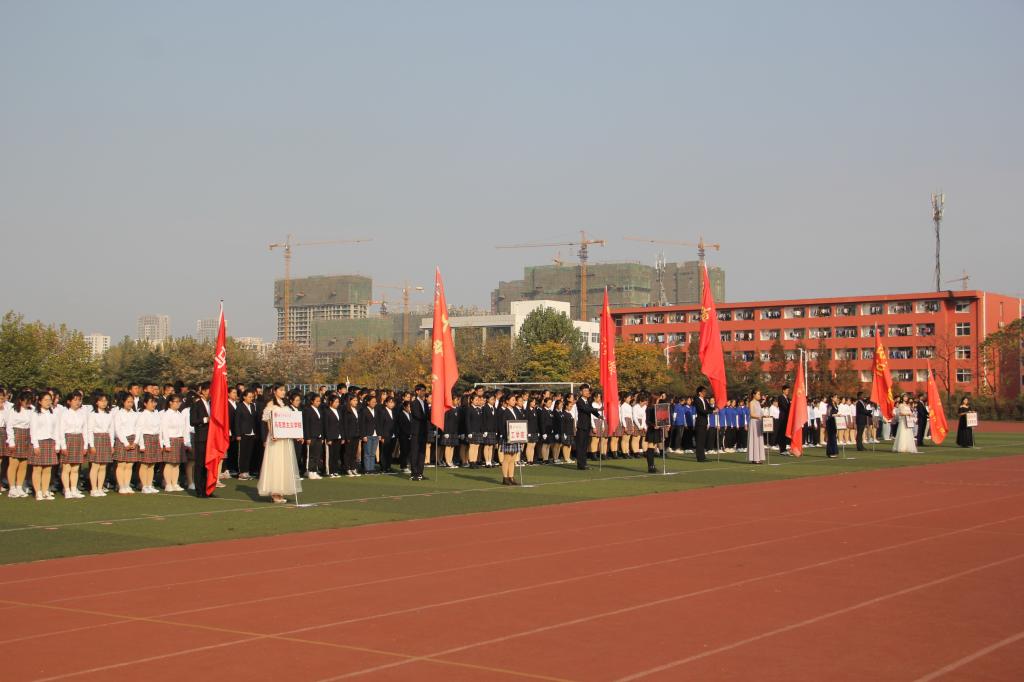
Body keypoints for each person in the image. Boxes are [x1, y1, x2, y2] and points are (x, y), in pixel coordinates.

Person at [258, 384, 302, 504]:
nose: (283, 392)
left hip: (285, 438)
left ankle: (281, 491)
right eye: (281, 390)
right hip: (275, 438)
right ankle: (275, 492)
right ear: (275, 391)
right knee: (275, 463)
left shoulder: (285, 404)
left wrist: (297, 434)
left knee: (284, 464)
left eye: (284, 390)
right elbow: (268, 421)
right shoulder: (271, 404)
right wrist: (272, 433)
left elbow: (291, 421)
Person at [29, 391, 61, 501]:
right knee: (37, 468)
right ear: (40, 401)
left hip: (50, 442)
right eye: (45, 400)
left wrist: (57, 444)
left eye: (50, 400)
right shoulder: (35, 414)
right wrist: (35, 445)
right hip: (39, 442)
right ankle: (38, 492)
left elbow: (56, 430)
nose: (48, 402)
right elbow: (33, 430)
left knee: (48, 468)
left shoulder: (53, 414)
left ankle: (45, 490)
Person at [58, 390, 88, 498]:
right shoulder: (64, 414)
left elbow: (85, 430)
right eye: (75, 400)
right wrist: (63, 446)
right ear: (69, 401)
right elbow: (61, 430)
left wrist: (85, 445)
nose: (77, 402)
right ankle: (67, 490)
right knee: (67, 468)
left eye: (79, 400)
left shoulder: (82, 414)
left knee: (75, 468)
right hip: (68, 439)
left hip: (79, 439)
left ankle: (74, 489)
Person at [6, 390, 35, 498]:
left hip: (27, 436)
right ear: (20, 400)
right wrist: (11, 441)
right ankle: (12, 488)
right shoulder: (13, 410)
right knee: (14, 463)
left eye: (30, 401)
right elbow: (9, 426)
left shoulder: (32, 410)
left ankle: (19, 487)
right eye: (27, 401)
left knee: (23, 464)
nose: (29, 403)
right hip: (16, 435)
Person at [86, 393, 115, 497]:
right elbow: (89, 430)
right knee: (95, 465)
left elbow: (111, 430)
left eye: (105, 401)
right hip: (96, 439)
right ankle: (93, 489)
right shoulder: (93, 414)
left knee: (103, 466)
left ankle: (100, 487)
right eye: (101, 401)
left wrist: (112, 444)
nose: (104, 403)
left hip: (106, 439)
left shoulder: (109, 414)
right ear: (96, 402)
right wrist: (92, 445)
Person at [159, 394, 189, 492]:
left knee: (177, 464)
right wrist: (166, 444)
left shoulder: (179, 414)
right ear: (170, 403)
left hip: (179, 440)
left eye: (179, 402)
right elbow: (164, 430)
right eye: (176, 402)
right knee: (169, 463)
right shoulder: (166, 414)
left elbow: (184, 429)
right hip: (171, 439)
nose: (178, 404)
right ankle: (168, 484)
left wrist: (185, 442)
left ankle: (175, 483)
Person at [134, 394, 163, 494]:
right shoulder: (142, 414)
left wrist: (161, 443)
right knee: (144, 464)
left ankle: (149, 485)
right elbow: (139, 430)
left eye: (154, 402)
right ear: (145, 403)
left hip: (155, 438)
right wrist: (141, 444)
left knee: (152, 464)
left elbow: (160, 429)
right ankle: (144, 485)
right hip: (146, 438)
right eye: (151, 402)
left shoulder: (156, 414)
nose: (154, 404)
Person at [113, 393, 140, 494]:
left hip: (133, 439)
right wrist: (125, 443)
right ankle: (121, 486)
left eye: (131, 402)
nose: (130, 404)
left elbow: (138, 428)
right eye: (128, 402)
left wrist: (135, 442)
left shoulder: (135, 414)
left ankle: (127, 485)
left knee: (130, 465)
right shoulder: (119, 414)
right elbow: (118, 429)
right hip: (122, 440)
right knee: (121, 464)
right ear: (123, 402)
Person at [190, 382, 212, 497]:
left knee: (208, 464)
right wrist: (205, 420)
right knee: (200, 464)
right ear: (203, 391)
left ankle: (207, 489)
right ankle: (199, 490)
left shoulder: (212, 404)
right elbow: (192, 421)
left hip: (211, 438)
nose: (211, 393)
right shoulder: (196, 404)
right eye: (209, 390)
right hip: (201, 438)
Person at [574, 385, 602, 471]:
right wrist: (598, 409)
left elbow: (591, 410)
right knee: (581, 446)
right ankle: (580, 464)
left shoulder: (588, 401)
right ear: (581, 392)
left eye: (587, 390)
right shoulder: (579, 402)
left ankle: (584, 463)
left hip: (587, 426)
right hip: (581, 426)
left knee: (585, 446)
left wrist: (599, 416)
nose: (587, 392)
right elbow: (586, 409)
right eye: (585, 391)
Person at [234, 389, 259, 480]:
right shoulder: (240, 406)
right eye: (249, 397)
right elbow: (237, 421)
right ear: (244, 397)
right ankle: (241, 472)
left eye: (252, 397)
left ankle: (247, 471)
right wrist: (238, 434)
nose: (251, 398)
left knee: (249, 453)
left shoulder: (252, 406)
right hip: (243, 433)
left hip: (252, 433)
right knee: (242, 454)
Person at [408, 384, 429, 481]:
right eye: (422, 390)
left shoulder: (425, 403)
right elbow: (417, 415)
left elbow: (428, 415)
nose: (424, 392)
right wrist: (427, 417)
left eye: (424, 390)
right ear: (417, 391)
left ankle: (420, 472)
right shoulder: (414, 403)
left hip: (424, 431)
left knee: (422, 452)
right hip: (416, 431)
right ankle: (414, 473)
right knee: (415, 452)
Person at [302, 393, 325, 479]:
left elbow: (321, 424)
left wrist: (322, 436)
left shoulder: (319, 410)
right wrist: (307, 437)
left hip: (318, 435)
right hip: (311, 435)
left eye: (319, 401)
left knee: (317, 454)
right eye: (317, 401)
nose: (318, 403)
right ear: (312, 401)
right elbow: (306, 424)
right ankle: (309, 471)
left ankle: (314, 471)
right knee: (311, 455)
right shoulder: (307, 410)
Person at [747, 390, 765, 464]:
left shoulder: (758, 403)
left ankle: (759, 457)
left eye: (759, 394)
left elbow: (761, 413)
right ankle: (754, 458)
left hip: (759, 422)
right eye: (758, 394)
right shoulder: (751, 402)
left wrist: (764, 416)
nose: (759, 395)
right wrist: (759, 417)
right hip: (754, 423)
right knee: (754, 439)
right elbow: (751, 414)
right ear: (754, 395)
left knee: (759, 439)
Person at [693, 387, 710, 462]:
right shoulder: (697, 400)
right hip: (700, 422)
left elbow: (709, 408)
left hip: (704, 422)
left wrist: (715, 408)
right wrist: (712, 412)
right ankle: (699, 457)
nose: (705, 393)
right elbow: (701, 410)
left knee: (703, 440)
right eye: (703, 391)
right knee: (699, 440)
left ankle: (703, 456)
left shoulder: (705, 400)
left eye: (705, 391)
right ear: (699, 393)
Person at [775, 385, 791, 454]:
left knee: (785, 433)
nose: (788, 392)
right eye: (787, 390)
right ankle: (782, 449)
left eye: (788, 390)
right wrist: (790, 408)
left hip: (787, 418)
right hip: (782, 418)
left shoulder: (788, 398)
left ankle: (784, 448)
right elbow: (784, 407)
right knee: (782, 433)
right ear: (783, 390)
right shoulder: (780, 397)